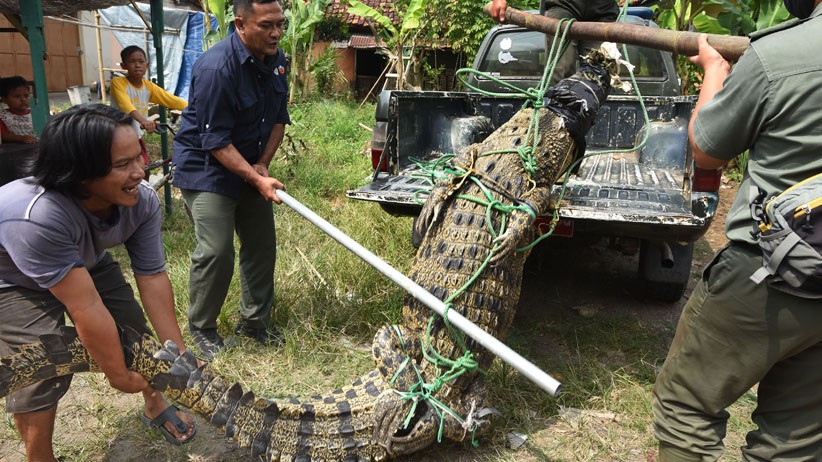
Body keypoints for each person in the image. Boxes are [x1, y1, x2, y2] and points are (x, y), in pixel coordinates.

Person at [651, 1, 822, 460]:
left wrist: (714, 69)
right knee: (795, 441)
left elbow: (707, 150)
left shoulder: (779, 55)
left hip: (769, 270)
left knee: (687, 405)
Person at [0, 104, 197, 461]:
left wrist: (178, 353)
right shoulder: (36, 214)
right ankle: (39, 456)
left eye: (139, 156)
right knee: (39, 361)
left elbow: (151, 277)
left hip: (82, 258)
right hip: (10, 276)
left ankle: (155, 402)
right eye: (122, 165)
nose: (140, 172)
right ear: (78, 173)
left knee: (135, 331)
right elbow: (85, 306)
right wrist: (117, 373)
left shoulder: (141, 201)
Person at [172, 0, 290, 360]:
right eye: (267, 25)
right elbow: (215, 141)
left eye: (280, 25)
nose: (276, 33)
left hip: (250, 164)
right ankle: (203, 328)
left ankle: (254, 323)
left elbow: (278, 118)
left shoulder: (278, 60)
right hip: (206, 168)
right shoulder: (216, 67)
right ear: (240, 23)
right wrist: (255, 179)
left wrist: (262, 165)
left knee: (261, 244)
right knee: (216, 249)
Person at [489, 0, 619, 84]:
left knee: (599, 77)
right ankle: (557, 123)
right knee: (561, 75)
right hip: (563, 5)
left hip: (603, 10)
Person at [109, 45, 188, 168]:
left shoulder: (148, 87)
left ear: (147, 65)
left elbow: (171, 100)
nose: (137, 65)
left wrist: (196, 107)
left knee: (144, 169)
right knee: (127, 169)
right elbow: (126, 106)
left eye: (141, 62)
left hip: (135, 136)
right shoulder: (117, 83)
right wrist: (144, 121)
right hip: (116, 136)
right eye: (132, 62)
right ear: (123, 66)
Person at [0, 76, 38, 144]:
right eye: (17, 96)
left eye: (26, 96)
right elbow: (3, 134)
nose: (23, 99)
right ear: (4, 99)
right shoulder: (3, 116)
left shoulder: (36, 113)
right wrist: (20, 138)